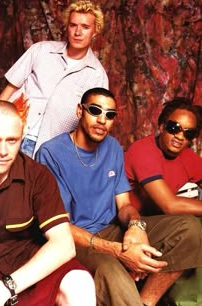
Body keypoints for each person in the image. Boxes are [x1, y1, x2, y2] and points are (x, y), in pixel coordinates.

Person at [36, 87, 202, 306]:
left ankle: (145, 302)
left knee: (188, 228)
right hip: (76, 240)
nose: (102, 120)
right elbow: (60, 226)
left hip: (112, 229)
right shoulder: (51, 153)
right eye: (95, 111)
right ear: (79, 111)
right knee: (112, 271)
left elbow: (124, 205)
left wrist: (136, 226)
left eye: (110, 115)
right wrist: (116, 250)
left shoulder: (113, 147)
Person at [0, 91, 96, 306]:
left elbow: (64, 245)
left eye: (12, 140)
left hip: (21, 265)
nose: (3, 151)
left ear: (22, 138)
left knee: (79, 282)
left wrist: (3, 290)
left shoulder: (37, 175)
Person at [0, 0, 108, 158]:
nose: (78, 32)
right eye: (73, 25)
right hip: (9, 135)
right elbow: (8, 91)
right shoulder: (40, 50)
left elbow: (93, 122)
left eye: (85, 27)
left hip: (49, 150)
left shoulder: (97, 75)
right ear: (67, 27)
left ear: (95, 31)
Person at [125, 97, 202, 305]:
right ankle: (145, 302)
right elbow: (170, 205)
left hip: (158, 223)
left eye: (188, 133)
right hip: (129, 224)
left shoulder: (189, 158)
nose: (179, 136)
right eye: (174, 127)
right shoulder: (143, 150)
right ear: (161, 126)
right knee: (191, 226)